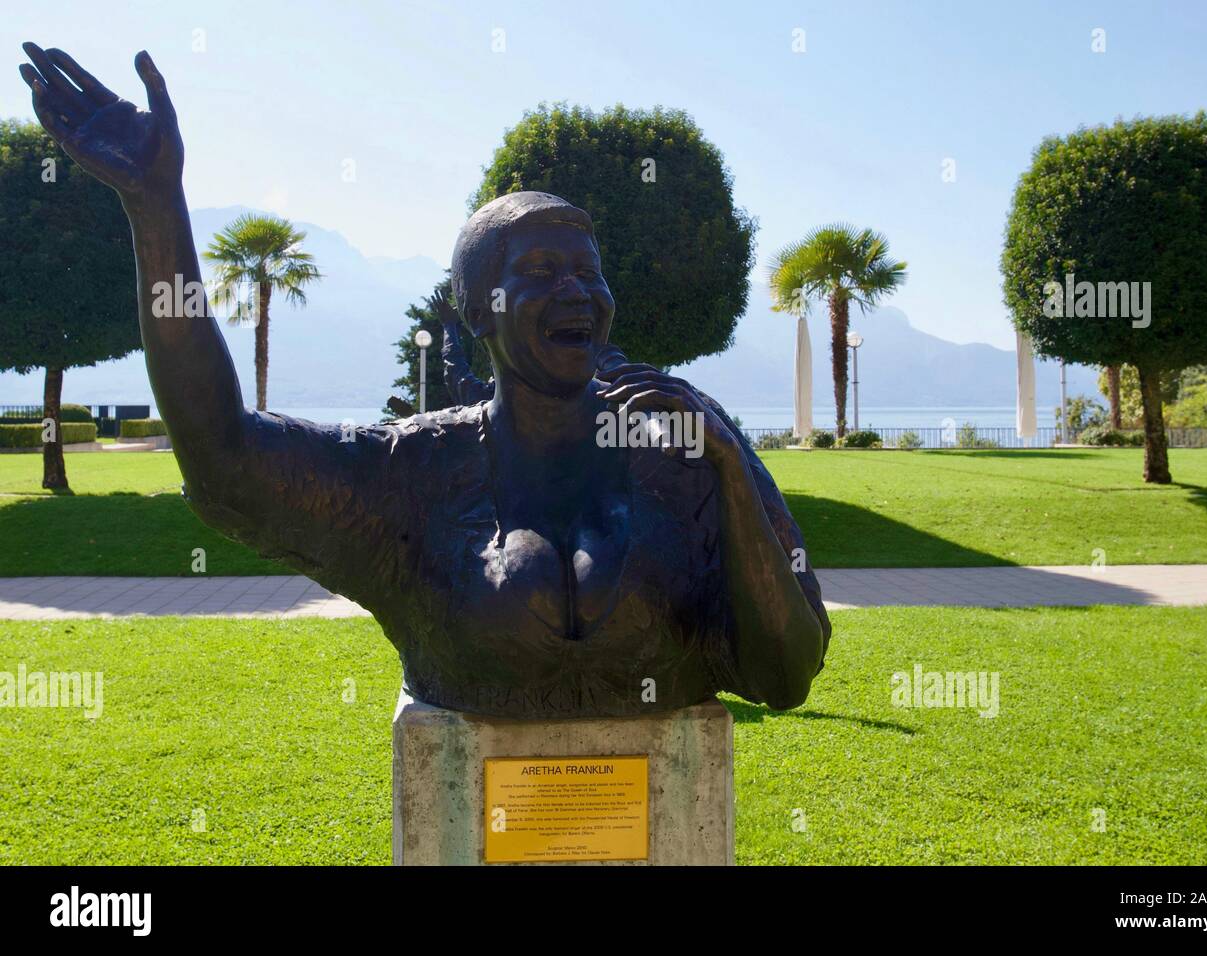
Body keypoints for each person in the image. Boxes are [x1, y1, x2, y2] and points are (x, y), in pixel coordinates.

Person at [19, 44, 831, 718]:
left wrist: (728, 474)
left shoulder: (690, 448)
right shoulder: (411, 471)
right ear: (481, 308)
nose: (578, 292)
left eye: (589, 273)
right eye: (543, 271)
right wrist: (157, 210)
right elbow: (222, 454)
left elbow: (785, 675)